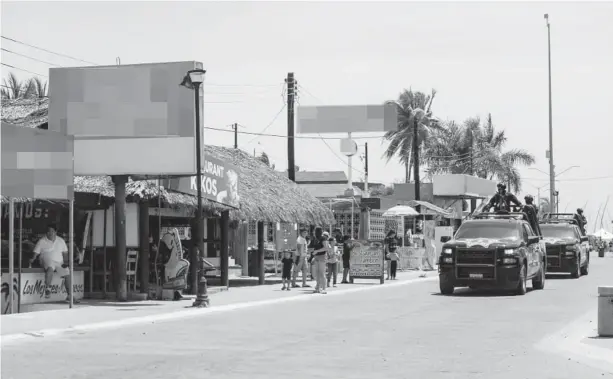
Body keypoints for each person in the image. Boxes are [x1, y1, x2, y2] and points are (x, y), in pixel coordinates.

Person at [29, 223, 79, 302]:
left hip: (59, 262)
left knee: (67, 272)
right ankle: (47, 289)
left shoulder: (61, 240)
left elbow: (65, 253)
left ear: (56, 232)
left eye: (52, 231)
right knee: (50, 268)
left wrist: (65, 262)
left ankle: (69, 296)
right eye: (48, 231)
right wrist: (32, 259)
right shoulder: (42, 241)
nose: (50, 233)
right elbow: (35, 253)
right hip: (46, 259)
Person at [309, 228, 328, 294]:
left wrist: (317, 251)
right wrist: (311, 251)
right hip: (316, 256)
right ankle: (318, 287)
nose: (315, 233)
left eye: (317, 231)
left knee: (322, 272)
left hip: (322, 256)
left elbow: (326, 248)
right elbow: (311, 247)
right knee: (316, 273)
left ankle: (324, 288)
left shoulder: (323, 238)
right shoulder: (314, 239)